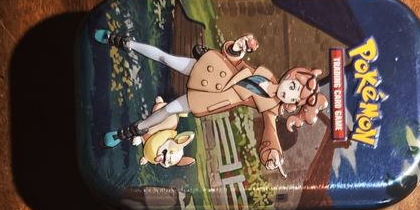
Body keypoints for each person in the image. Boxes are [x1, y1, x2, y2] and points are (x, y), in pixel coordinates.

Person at [95, 30, 328, 176]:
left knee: (168, 110)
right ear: (290, 76)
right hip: (213, 69)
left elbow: (270, 131)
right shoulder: (267, 74)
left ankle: (128, 132)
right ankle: (124, 42)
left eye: (295, 97)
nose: (289, 92)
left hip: (212, 98)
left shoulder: (270, 108)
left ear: (294, 105)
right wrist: (237, 48)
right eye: (293, 85)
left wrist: (271, 154)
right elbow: (238, 63)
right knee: (166, 58)